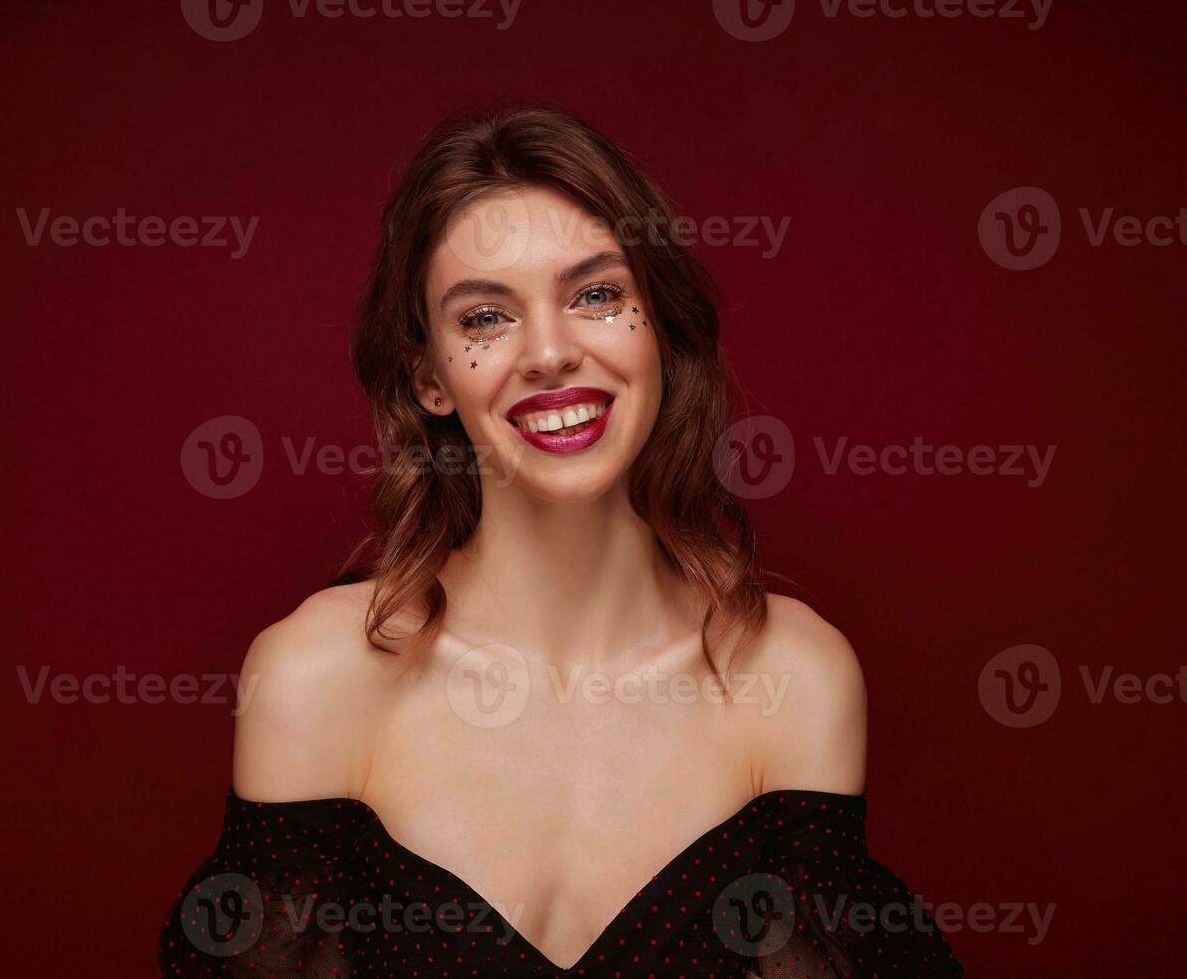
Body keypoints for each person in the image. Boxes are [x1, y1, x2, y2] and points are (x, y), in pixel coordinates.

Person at [158, 104, 962, 977]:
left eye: (596, 295)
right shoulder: (316, 677)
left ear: (659, 324)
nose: (548, 353)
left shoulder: (796, 679)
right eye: (484, 318)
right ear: (429, 378)